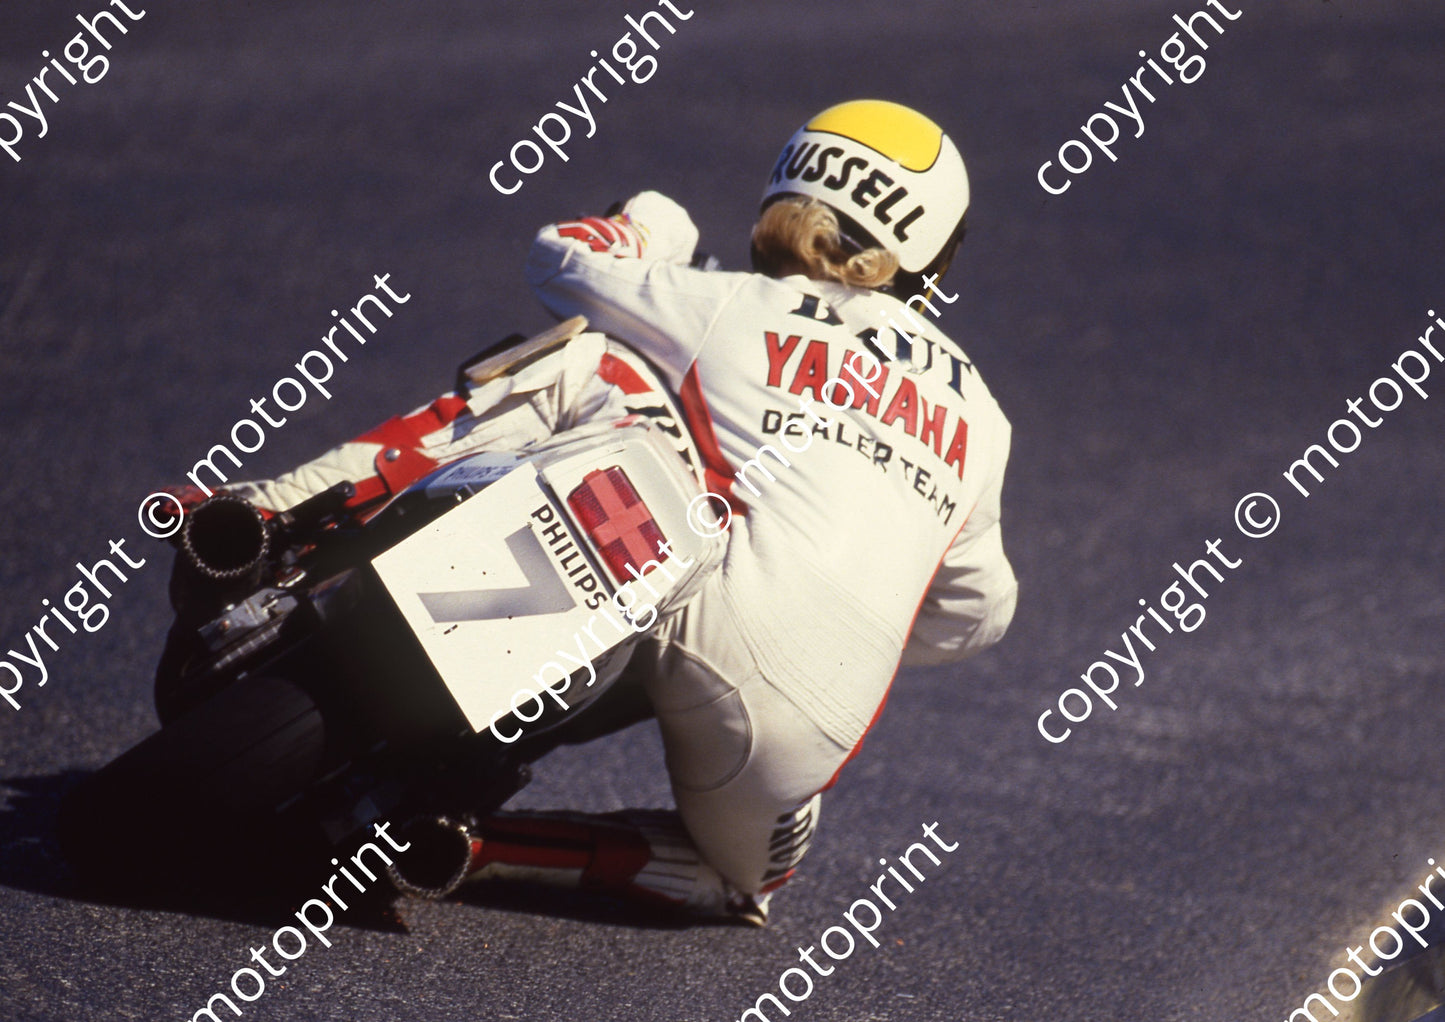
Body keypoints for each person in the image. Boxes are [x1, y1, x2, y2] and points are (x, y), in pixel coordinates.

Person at [220, 100, 1018, 926]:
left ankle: (267, 517)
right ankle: (465, 845)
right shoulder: (985, 424)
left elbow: (556, 258)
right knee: (741, 882)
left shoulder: (726, 303)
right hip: (800, 724)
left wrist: (651, 225)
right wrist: (873, 604)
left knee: (589, 360)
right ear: (934, 254)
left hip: (683, 590)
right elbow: (979, 616)